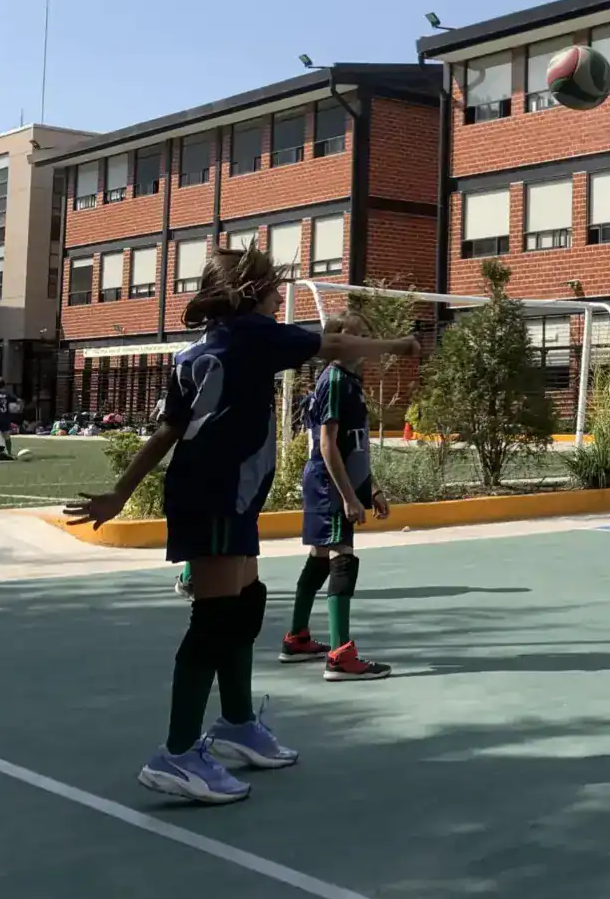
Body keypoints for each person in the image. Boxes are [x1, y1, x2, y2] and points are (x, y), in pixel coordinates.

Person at [65, 247, 417, 805]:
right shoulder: (251, 333)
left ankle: (234, 725)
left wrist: (120, 493)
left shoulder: (200, 350)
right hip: (215, 496)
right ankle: (177, 755)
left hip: (228, 496)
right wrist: (395, 345)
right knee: (216, 621)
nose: (282, 295)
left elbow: (166, 433)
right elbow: (336, 345)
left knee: (246, 603)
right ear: (250, 292)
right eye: (275, 287)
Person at [279, 314, 393, 681]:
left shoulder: (352, 382)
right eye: (350, 338)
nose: (358, 344)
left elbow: (353, 446)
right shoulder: (334, 381)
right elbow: (327, 445)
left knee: (320, 556)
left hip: (341, 485)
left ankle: (297, 638)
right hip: (328, 485)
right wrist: (348, 496)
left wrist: (370, 488)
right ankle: (340, 655)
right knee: (343, 558)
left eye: (363, 336)